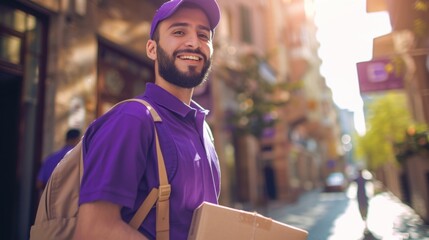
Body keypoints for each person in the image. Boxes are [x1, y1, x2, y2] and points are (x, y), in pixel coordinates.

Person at [73, 0, 221, 239]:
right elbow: (93, 230)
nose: (194, 43)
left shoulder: (204, 130)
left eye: (203, 35)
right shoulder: (131, 120)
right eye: (179, 31)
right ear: (152, 49)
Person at [36, 128, 81, 192]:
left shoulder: (50, 158)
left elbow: (39, 183)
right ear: (77, 139)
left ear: (66, 139)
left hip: (50, 198)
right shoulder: (79, 159)